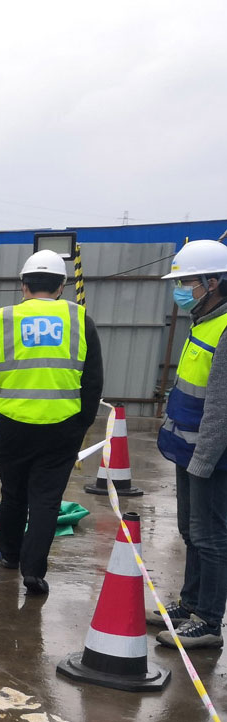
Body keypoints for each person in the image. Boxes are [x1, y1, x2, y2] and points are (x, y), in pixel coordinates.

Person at [0, 249, 103, 596]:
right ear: (62, 285)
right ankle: (34, 572)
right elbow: (93, 381)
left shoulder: (7, 318)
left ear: (23, 285)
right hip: (63, 427)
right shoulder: (80, 319)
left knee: (13, 495)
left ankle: (10, 555)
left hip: (14, 425)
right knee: (46, 500)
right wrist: (82, 423)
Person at [150, 240, 227, 649]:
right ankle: (190, 603)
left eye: (187, 282)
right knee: (190, 531)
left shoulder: (225, 328)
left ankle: (209, 621)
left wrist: (203, 460)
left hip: (210, 457)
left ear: (212, 283)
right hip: (188, 450)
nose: (180, 290)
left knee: (210, 536)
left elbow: (220, 408)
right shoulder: (203, 322)